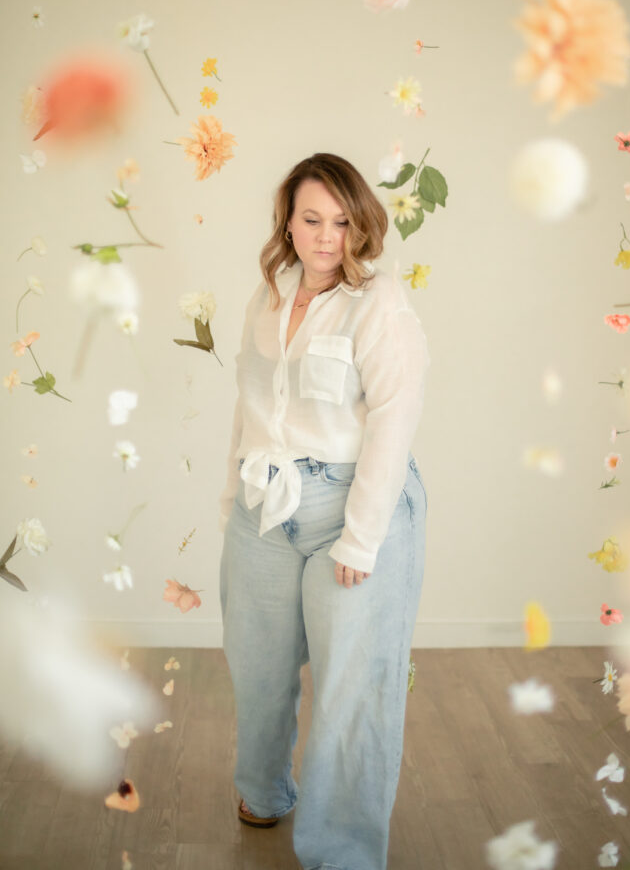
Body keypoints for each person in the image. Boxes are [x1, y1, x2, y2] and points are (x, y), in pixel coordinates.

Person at [217, 152, 429, 870]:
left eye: (341, 222)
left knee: (347, 690)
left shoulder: (380, 304)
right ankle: (265, 792)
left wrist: (360, 541)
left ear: (359, 225)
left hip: (351, 503)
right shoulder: (268, 293)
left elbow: (393, 425)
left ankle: (340, 854)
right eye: (311, 219)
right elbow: (248, 405)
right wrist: (232, 499)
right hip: (265, 503)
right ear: (289, 219)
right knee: (258, 666)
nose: (326, 236)